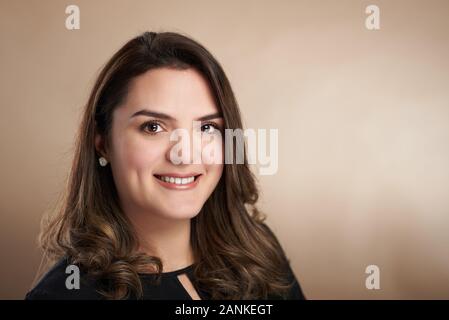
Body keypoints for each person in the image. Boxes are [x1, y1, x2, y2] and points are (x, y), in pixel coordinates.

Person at [25, 31, 306, 300]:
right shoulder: (64, 295)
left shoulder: (258, 250)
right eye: (153, 127)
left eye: (207, 127)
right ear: (103, 143)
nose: (184, 154)